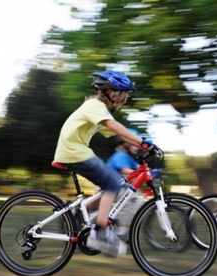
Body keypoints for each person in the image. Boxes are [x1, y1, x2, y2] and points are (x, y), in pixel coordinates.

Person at [54, 70, 154, 257]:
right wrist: (142, 142)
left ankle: (86, 214)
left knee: (113, 182)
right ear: (112, 92)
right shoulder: (95, 106)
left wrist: (142, 145)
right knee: (113, 183)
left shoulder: (98, 109)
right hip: (74, 152)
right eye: (124, 96)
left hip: (76, 151)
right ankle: (99, 232)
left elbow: (119, 134)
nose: (125, 100)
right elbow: (116, 127)